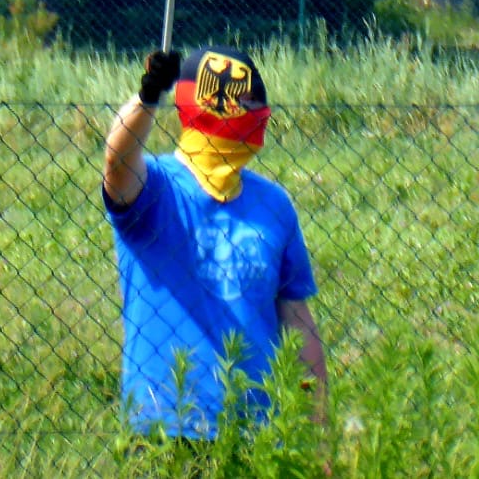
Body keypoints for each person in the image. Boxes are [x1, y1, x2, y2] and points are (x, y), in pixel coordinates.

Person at [101, 45, 327, 440]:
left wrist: (316, 426)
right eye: (249, 102)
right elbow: (116, 162)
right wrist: (149, 96)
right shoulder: (154, 190)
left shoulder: (274, 206)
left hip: (256, 436)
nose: (262, 114)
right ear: (213, 102)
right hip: (163, 434)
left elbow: (298, 324)